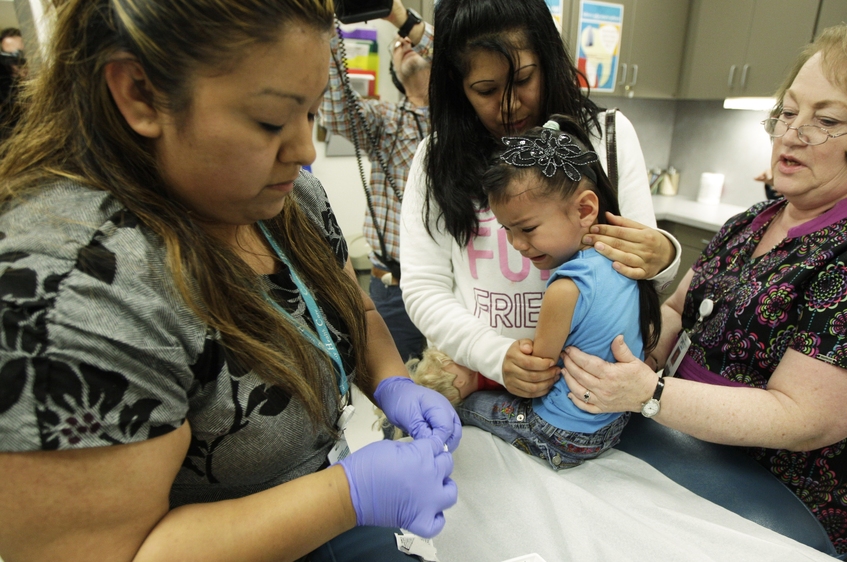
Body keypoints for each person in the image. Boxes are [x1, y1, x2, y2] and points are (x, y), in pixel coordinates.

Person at [0, 1, 460, 561]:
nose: (305, 151)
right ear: (140, 93)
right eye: (270, 121)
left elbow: (354, 309)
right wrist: (344, 496)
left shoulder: (289, 201)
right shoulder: (74, 293)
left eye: (312, 115)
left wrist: (392, 382)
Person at [559, 17, 847, 554]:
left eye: (826, 119)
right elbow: (681, 308)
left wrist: (649, 394)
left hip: (779, 513)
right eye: (789, 110)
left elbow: (803, 418)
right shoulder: (757, 219)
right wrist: (629, 352)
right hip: (678, 463)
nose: (791, 132)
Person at [399, 0, 680, 401]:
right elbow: (425, 287)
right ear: (458, 88)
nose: (510, 104)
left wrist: (664, 254)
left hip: (590, 388)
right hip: (480, 375)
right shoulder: (436, 159)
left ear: (547, 63)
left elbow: (647, 275)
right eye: (486, 90)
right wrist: (496, 357)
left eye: (524, 79)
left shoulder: (606, 138)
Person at [448, 116, 662, 470]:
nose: (517, 244)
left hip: (561, 435)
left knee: (463, 405)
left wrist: (488, 372)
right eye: (507, 230)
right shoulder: (623, 264)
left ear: (584, 209)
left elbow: (538, 377)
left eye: (528, 228)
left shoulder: (564, 289)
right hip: (613, 424)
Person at [319, 0, 431, 362]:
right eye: (399, 45)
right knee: (395, 398)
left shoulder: (467, 122)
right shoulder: (383, 118)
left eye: (413, 41)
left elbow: (460, 60)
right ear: (395, 71)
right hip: (393, 288)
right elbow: (335, 111)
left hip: (456, 288)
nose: (405, 44)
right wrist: (330, 25)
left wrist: (402, 20)